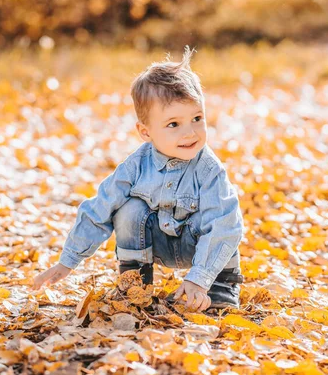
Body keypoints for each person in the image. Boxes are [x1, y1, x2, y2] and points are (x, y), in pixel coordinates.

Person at [32, 46, 244, 312]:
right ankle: (135, 282)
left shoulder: (209, 169)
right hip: (157, 244)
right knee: (128, 208)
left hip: (198, 246)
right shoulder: (135, 167)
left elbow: (225, 226)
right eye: (173, 124)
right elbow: (100, 208)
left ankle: (221, 287)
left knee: (224, 216)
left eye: (197, 118)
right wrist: (69, 260)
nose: (190, 132)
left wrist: (199, 279)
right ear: (146, 132)